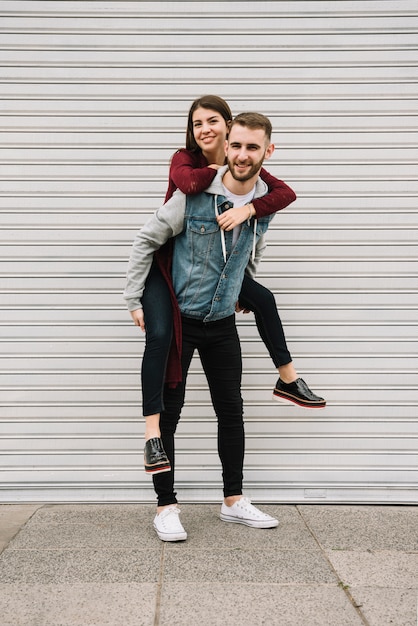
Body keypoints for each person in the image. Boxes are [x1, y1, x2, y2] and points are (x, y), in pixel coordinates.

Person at [125, 112, 303, 541]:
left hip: (221, 322)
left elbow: (254, 247)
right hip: (182, 320)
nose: (243, 155)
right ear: (225, 147)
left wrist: (244, 289)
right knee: (170, 415)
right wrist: (133, 297)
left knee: (232, 411)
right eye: (236, 146)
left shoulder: (263, 199)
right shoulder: (193, 194)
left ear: (268, 152)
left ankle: (233, 501)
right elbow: (147, 239)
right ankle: (166, 507)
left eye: (253, 147)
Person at [137, 95, 325, 478]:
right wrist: (219, 176)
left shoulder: (246, 170)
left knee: (263, 299)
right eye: (197, 124)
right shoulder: (190, 164)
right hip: (169, 267)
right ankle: (152, 434)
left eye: (213, 122)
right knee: (158, 336)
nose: (204, 129)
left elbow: (282, 197)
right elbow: (187, 185)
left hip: (219, 276)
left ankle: (287, 379)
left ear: (228, 127)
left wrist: (249, 206)